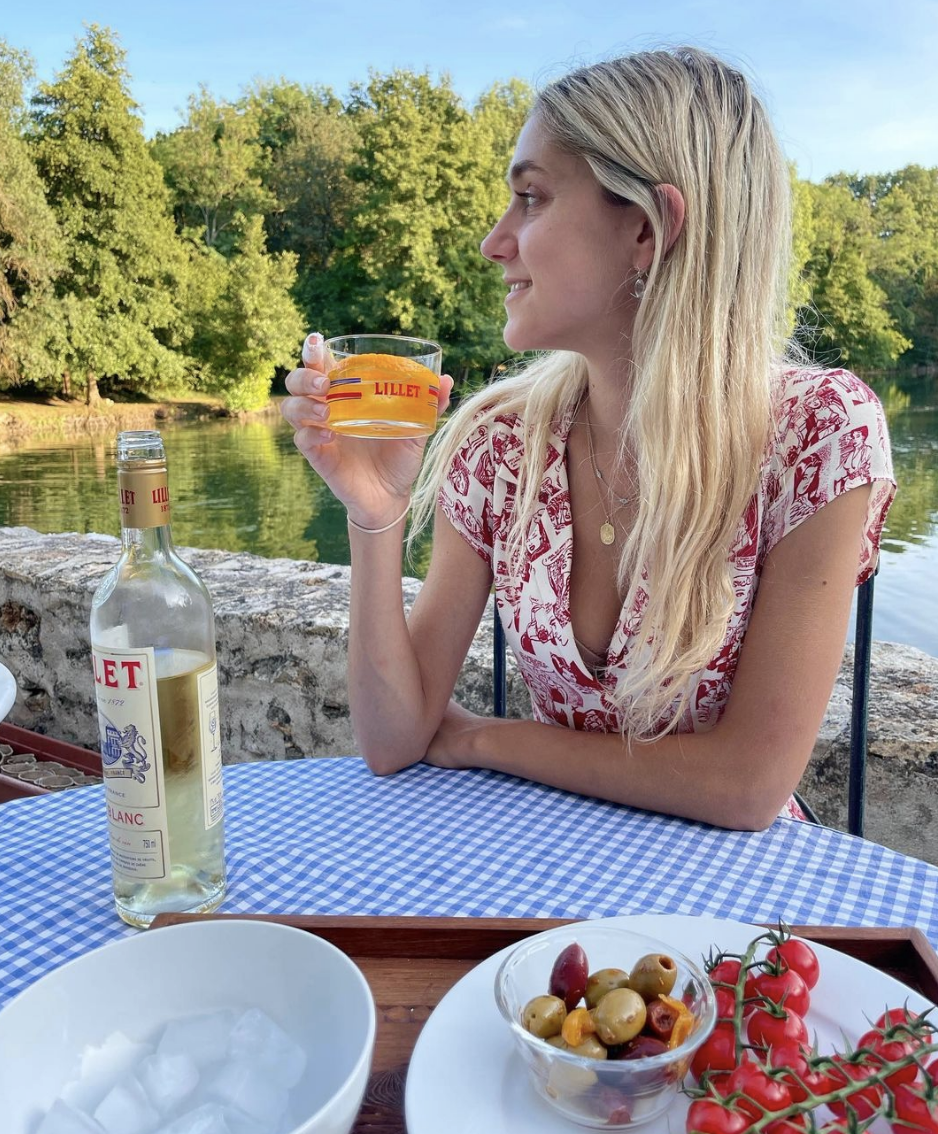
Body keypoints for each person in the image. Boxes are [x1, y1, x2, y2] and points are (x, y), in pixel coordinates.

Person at [281, 46, 895, 831]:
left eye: (531, 198)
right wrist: (373, 511)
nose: (493, 242)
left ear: (645, 229)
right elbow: (395, 740)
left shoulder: (816, 437)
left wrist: (492, 741)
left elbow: (747, 786)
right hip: (554, 881)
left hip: (734, 916)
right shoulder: (503, 444)